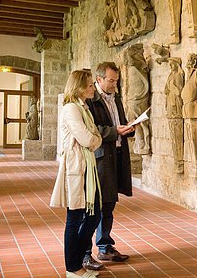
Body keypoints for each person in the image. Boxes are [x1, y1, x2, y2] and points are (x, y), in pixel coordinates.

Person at [50, 70, 102, 278]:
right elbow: (89, 139)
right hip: (76, 168)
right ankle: (73, 267)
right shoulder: (71, 108)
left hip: (88, 169)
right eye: (89, 85)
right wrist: (94, 139)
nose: (92, 88)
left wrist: (94, 139)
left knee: (93, 215)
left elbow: (94, 136)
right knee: (75, 218)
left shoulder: (84, 108)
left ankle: (77, 260)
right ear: (79, 87)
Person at [83, 62, 135, 270]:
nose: (115, 84)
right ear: (99, 79)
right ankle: (85, 253)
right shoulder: (91, 100)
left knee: (109, 203)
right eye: (111, 80)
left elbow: (118, 122)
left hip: (117, 154)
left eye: (116, 80)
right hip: (101, 156)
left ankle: (104, 247)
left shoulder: (116, 97)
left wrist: (128, 128)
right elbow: (92, 129)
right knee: (94, 205)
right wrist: (115, 131)